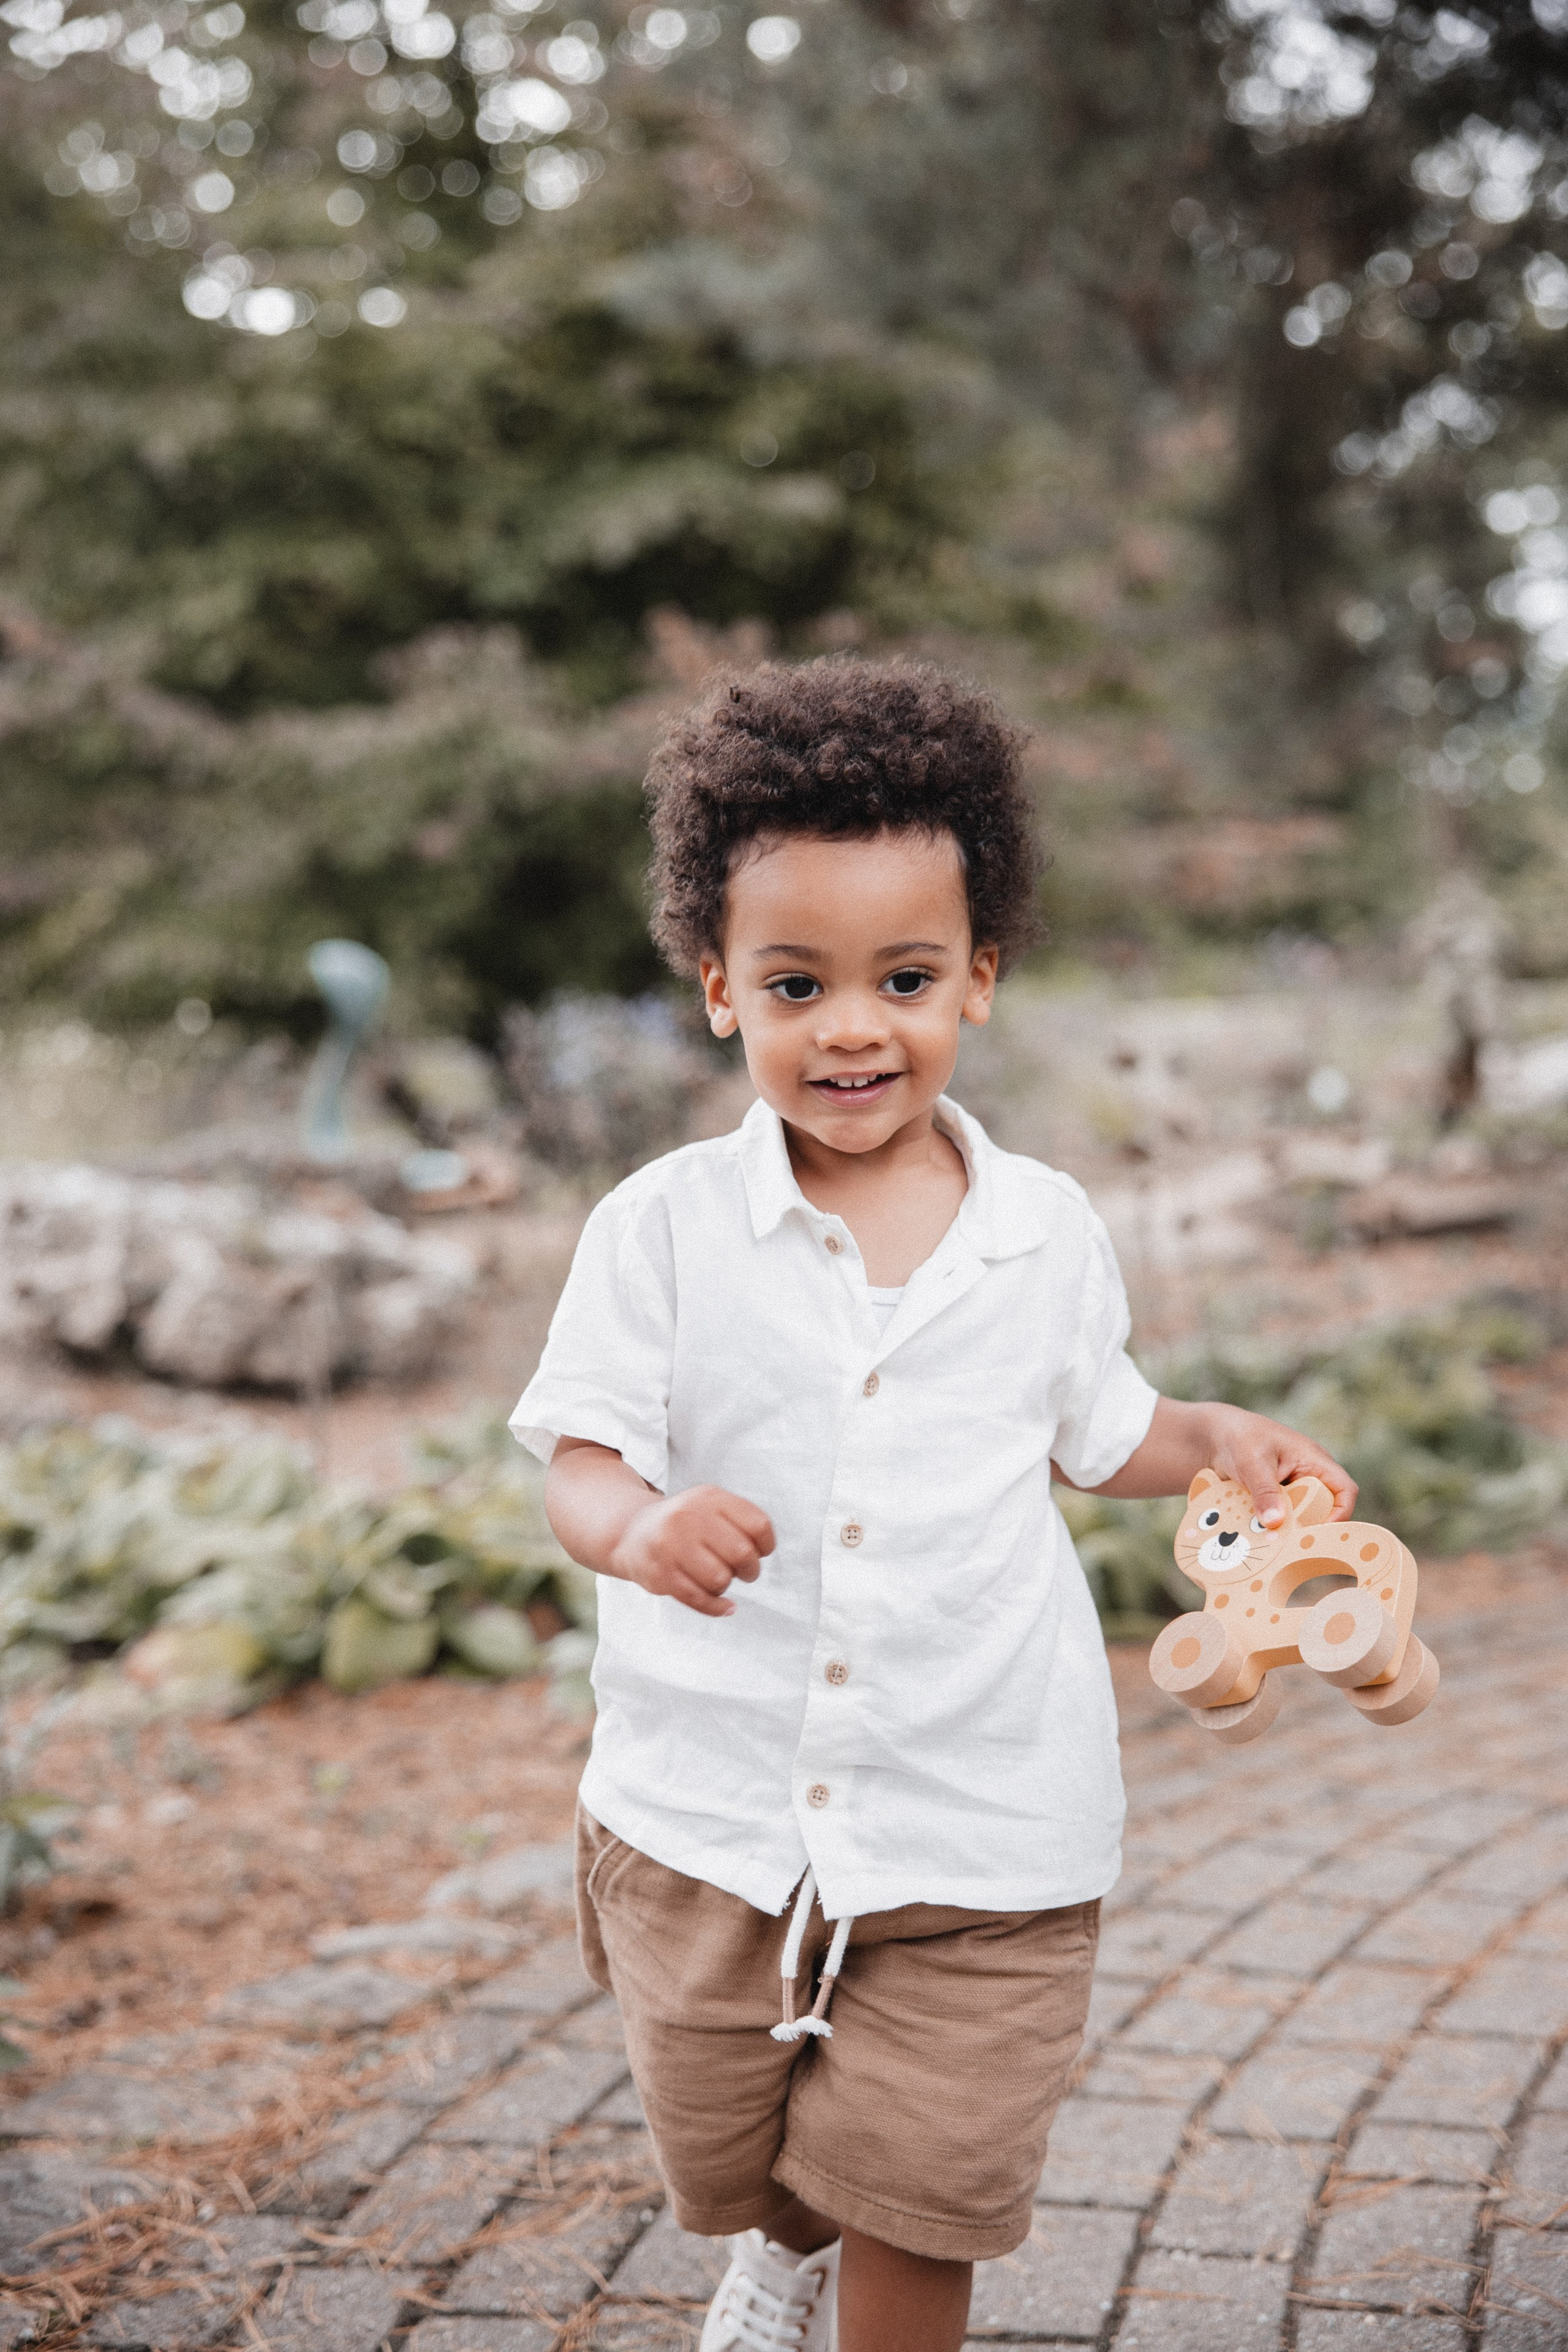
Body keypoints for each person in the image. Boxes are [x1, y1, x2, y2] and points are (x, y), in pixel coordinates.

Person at [512, 658, 1355, 2352]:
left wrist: (1211, 1437)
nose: (851, 1026)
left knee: (929, 2172)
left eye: (902, 978)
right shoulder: (661, 1229)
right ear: (716, 991)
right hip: (716, 1803)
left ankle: (863, 2251)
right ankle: (781, 2240)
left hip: (985, 1809)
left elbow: (1098, 1427)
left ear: (978, 981)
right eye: (796, 982)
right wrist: (636, 1530)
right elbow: (582, 1460)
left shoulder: (1042, 1229)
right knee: (743, 2153)